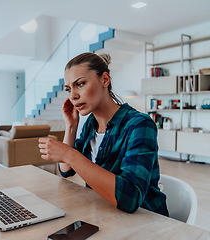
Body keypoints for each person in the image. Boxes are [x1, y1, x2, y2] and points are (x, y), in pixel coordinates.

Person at [38, 52, 169, 216]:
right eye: (68, 89)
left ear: (105, 80)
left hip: (146, 221)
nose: (73, 96)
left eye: (80, 84)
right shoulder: (90, 125)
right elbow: (66, 170)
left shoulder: (140, 124)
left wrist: (69, 154)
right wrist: (71, 127)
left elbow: (130, 199)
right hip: (105, 212)